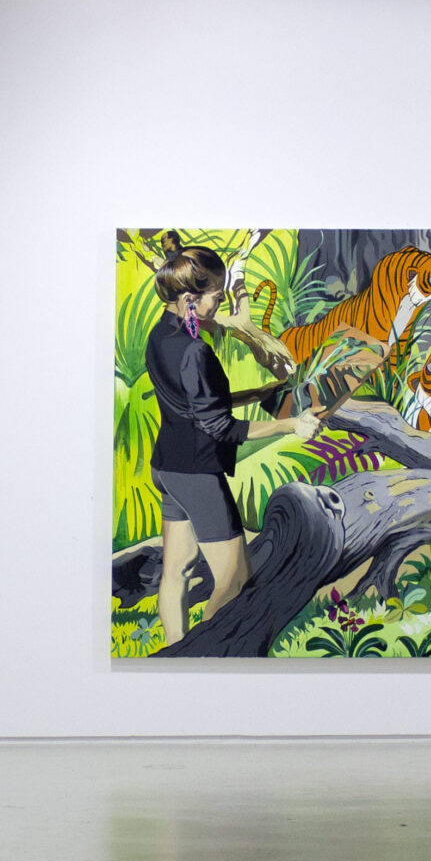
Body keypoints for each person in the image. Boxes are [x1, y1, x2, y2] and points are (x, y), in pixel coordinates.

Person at [146, 246, 320, 648]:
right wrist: (291, 425)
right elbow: (220, 427)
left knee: (176, 572)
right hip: (196, 474)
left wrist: (256, 394)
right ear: (190, 299)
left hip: (168, 467)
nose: (220, 305)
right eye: (216, 296)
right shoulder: (195, 350)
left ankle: (174, 652)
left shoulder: (161, 335)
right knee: (234, 578)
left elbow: (194, 403)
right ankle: (203, 655)